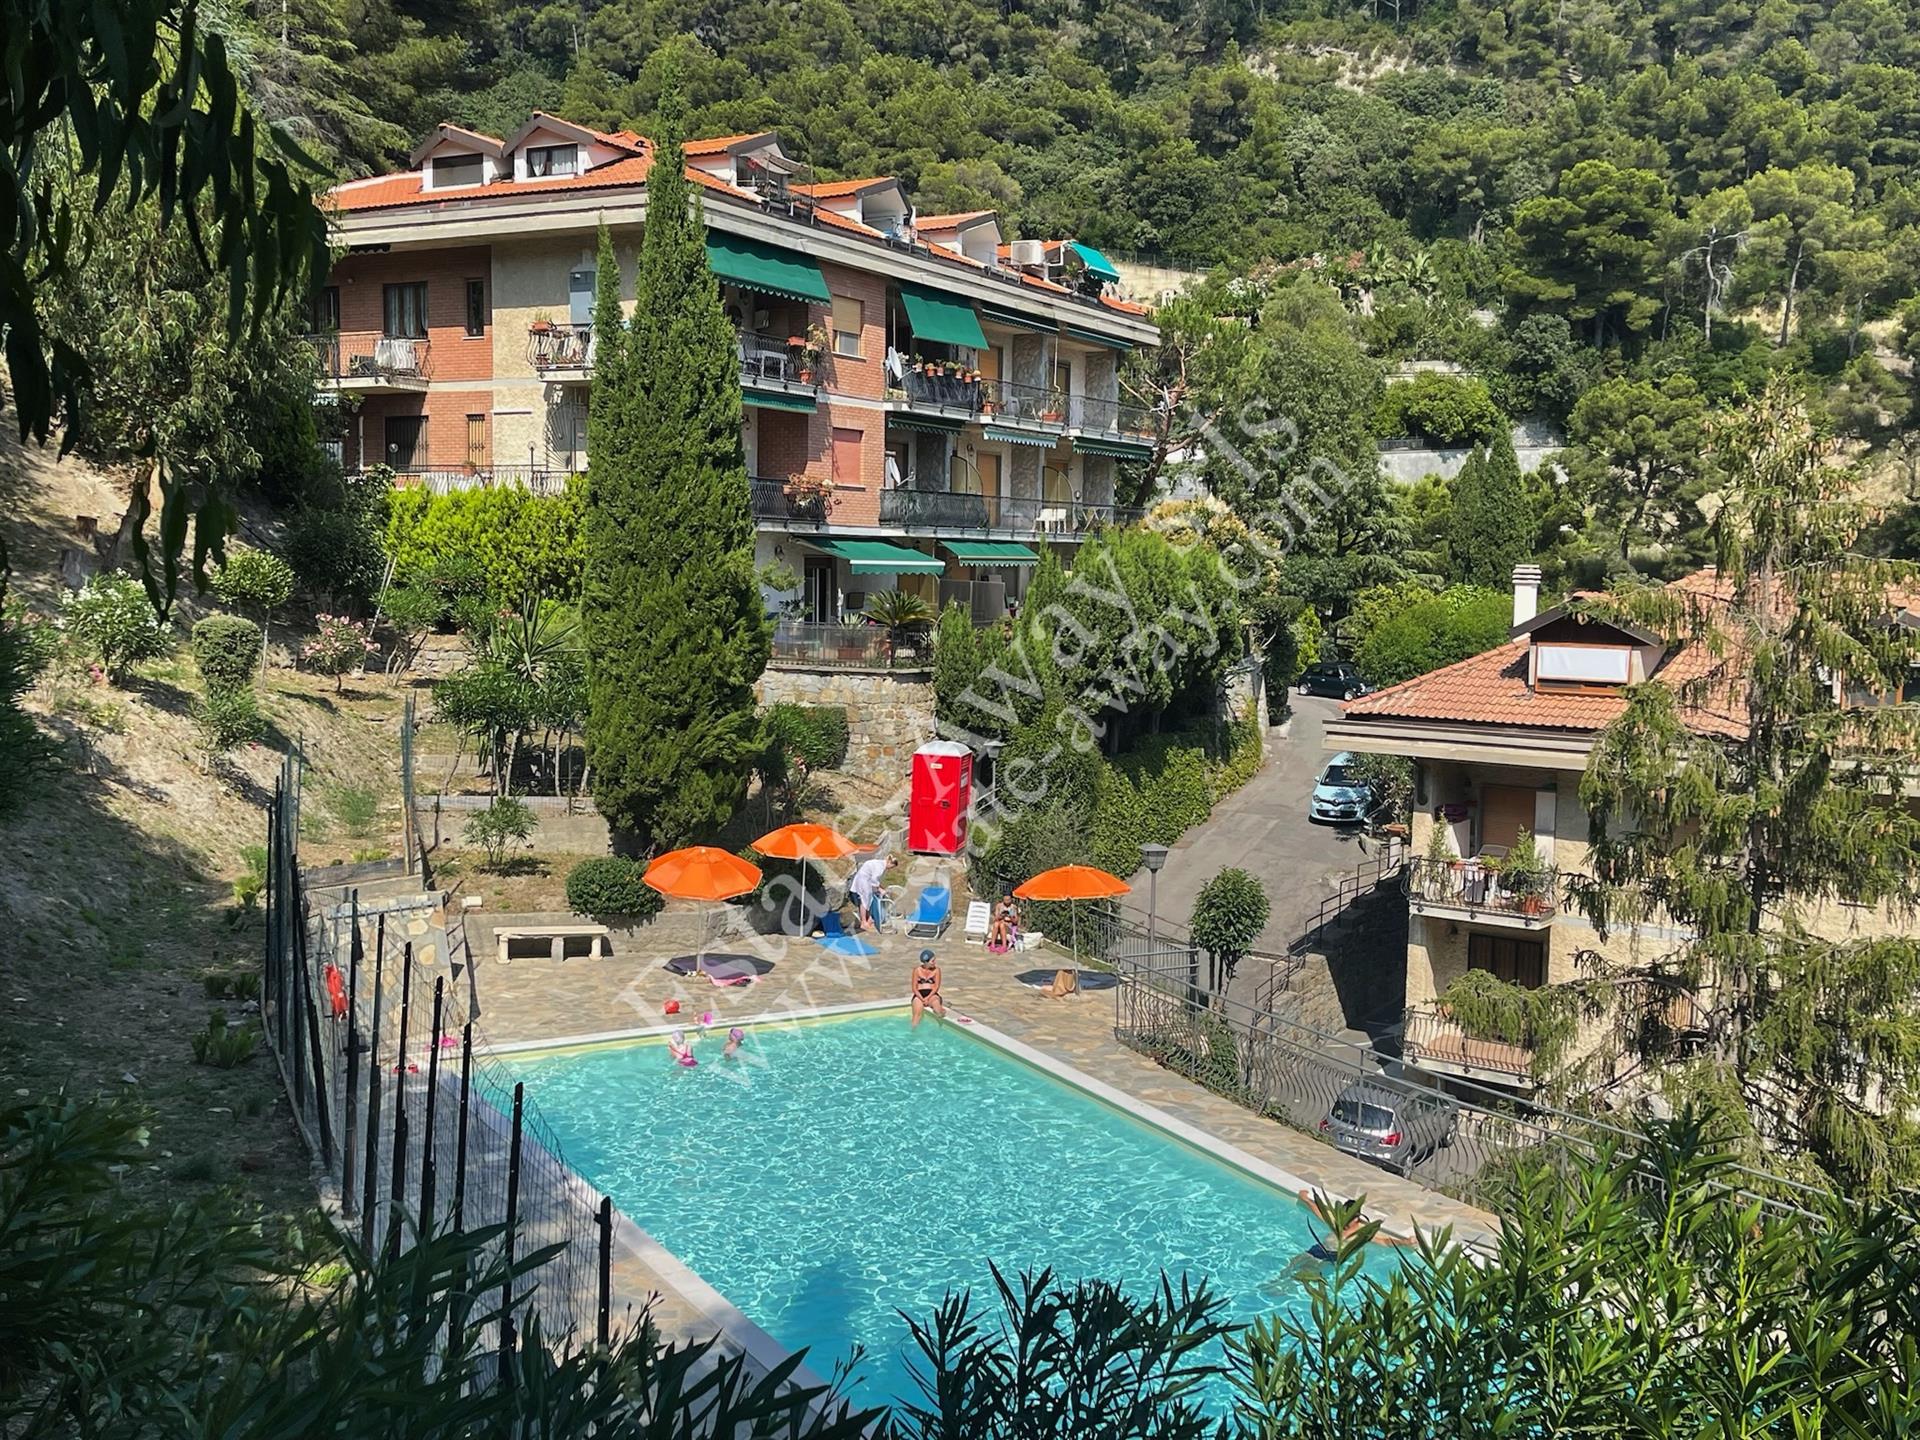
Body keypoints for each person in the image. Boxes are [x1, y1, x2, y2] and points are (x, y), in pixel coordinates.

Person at [848, 852, 897, 934]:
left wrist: (880, 887)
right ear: (889, 863)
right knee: (864, 901)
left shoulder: (880, 863)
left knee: (867, 900)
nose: (890, 869)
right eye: (891, 867)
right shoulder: (881, 867)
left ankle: (868, 919)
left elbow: (875, 880)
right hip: (863, 881)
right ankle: (864, 922)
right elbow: (874, 880)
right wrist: (880, 889)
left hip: (863, 879)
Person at [910, 948, 947, 1027]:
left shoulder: (937, 970)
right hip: (919, 995)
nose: (934, 962)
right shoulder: (917, 970)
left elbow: (936, 987)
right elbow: (914, 988)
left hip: (932, 994)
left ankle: (942, 1014)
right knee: (917, 1014)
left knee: (937, 1010)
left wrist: (927, 998)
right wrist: (922, 999)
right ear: (926, 962)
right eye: (932, 961)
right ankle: (913, 1032)